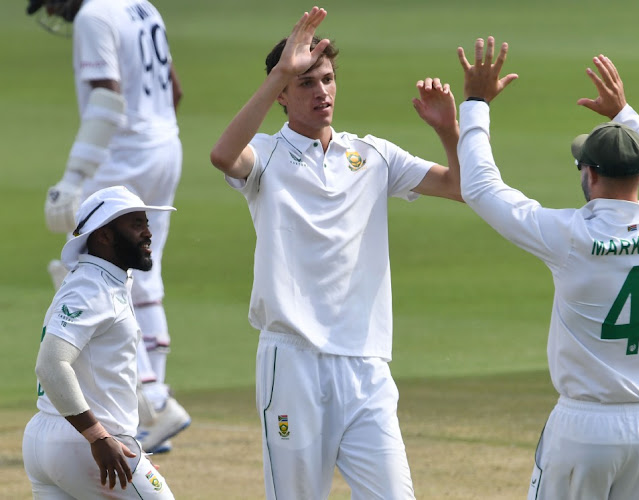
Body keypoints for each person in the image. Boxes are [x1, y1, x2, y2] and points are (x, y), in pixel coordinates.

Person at [209, 6, 462, 499]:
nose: (321, 91)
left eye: (326, 79)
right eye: (305, 83)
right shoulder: (264, 155)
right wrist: (282, 67)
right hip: (293, 360)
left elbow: (460, 186)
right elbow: (223, 156)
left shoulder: (372, 155)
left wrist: (450, 133)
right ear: (281, 94)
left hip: (366, 364)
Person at [450, 38, 639, 499]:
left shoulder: (571, 237)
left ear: (591, 174)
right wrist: (625, 114)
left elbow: (482, 188)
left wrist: (475, 104)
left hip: (585, 427)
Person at [25, 0, 190, 453]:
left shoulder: (94, 15)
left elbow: (107, 98)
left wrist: (74, 178)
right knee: (145, 276)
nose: (55, 11)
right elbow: (174, 91)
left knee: (89, 272)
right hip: (164, 147)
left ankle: (153, 402)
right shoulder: (142, 6)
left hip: (122, 157)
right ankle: (155, 405)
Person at [22, 186, 176, 499]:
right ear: (104, 236)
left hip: (47, 440)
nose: (148, 233)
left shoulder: (95, 280)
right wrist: (99, 437)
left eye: (146, 223)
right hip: (85, 442)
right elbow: (50, 364)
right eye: (136, 225)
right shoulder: (93, 288)